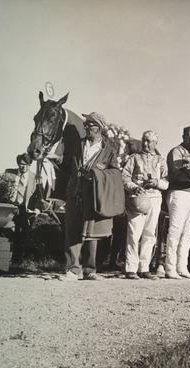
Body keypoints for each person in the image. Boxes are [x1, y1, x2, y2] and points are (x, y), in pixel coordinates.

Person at [60, 112, 124, 281]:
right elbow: (66, 165)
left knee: (92, 233)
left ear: (99, 128)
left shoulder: (109, 150)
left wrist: (98, 173)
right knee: (72, 229)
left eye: (90, 124)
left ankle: (90, 269)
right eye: (86, 124)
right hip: (75, 191)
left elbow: (115, 173)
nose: (86, 126)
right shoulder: (77, 145)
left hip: (94, 195)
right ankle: (73, 269)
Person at [122, 130, 168, 279]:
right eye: (144, 140)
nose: (146, 144)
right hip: (137, 198)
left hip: (155, 197)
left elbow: (167, 182)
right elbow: (124, 177)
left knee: (149, 234)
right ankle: (131, 268)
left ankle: (144, 267)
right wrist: (134, 187)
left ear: (155, 143)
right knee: (134, 232)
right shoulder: (134, 158)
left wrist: (157, 182)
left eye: (150, 141)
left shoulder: (161, 160)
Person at [165, 126, 190, 279]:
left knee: (188, 233)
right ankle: (170, 267)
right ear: (183, 137)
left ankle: (182, 267)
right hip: (179, 193)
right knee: (175, 231)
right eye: (189, 138)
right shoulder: (176, 151)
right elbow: (176, 174)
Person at [5, 153, 37, 266]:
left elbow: (38, 195)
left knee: (22, 234)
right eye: (20, 164)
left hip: (25, 209)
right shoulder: (10, 173)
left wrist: (36, 209)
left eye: (25, 164)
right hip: (11, 206)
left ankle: (17, 261)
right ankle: (5, 258)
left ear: (29, 165)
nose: (22, 167)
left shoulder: (34, 177)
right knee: (7, 232)